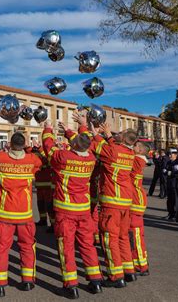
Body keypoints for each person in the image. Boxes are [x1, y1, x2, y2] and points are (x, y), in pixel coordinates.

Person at [42, 118, 103, 299]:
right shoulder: (91, 158)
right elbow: (85, 143)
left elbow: (48, 147)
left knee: (66, 247)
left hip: (65, 210)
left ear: (73, 145)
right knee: (87, 245)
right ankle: (95, 280)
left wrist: (48, 129)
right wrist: (72, 129)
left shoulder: (63, 157)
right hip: (84, 210)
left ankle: (71, 285)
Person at [0, 126, 42, 298]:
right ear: (24, 145)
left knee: (1, 249)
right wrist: (29, 147)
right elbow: (39, 161)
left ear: (9, 144)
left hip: (4, 214)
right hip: (25, 214)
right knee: (27, 247)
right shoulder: (31, 160)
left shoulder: (1, 158)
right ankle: (28, 280)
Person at [91, 122, 137, 287]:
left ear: (123, 138)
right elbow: (112, 148)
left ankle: (116, 277)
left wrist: (94, 131)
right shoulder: (130, 153)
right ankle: (129, 271)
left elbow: (98, 146)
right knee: (123, 237)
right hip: (125, 202)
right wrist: (110, 136)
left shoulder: (113, 151)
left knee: (110, 240)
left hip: (112, 202)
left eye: (121, 133)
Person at [129, 141, 150, 276]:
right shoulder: (137, 159)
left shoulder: (137, 160)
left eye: (135, 145)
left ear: (141, 151)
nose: (132, 146)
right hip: (136, 200)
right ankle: (140, 261)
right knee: (136, 234)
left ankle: (141, 266)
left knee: (135, 235)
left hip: (135, 202)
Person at [31, 139, 54, 230]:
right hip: (39, 186)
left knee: (49, 205)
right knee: (40, 204)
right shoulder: (37, 158)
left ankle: (52, 224)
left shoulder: (47, 159)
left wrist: (40, 148)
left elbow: (47, 159)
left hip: (48, 186)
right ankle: (43, 219)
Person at [165, 149, 178, 220]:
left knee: (175, 200)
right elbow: (166, 171)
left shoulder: (177, 162)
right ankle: (170, 213)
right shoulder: (169, 162)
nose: (169, 156)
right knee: (169, 199)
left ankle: (175, 215)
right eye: (169, 154)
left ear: (175, 155)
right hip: (169, 183)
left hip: (175, 184)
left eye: (171, 154)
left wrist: (170, 173)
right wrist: (165, 171)